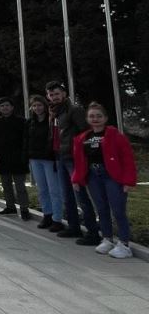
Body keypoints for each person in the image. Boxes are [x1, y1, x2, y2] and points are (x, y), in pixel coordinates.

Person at [72, 103, 137, 259]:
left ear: (105, 118)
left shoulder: (115, 136)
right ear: (87, 119)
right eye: (92, 116)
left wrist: (128, 181)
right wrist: (76, 178)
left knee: (118, 209)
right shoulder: (83, 138)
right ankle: (107, 238)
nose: (95, 119)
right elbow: (80, 161)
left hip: (112, 177)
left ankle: (124, 244)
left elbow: (128, 159)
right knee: (101, 208)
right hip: (93, 176)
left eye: (99, 116)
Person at [47, 80, 100, 246]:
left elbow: (85, 132)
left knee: (80, 195)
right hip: (60, 156)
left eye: (57, 94)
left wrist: (81, 153)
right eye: (51, 94)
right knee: (67, 194)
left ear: (64, 94)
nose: (54, 97)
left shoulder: (74, 110)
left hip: (73, 157)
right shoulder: (56, 112)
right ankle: (73, 226)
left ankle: (92, 231)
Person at [25, 95, 63, 231]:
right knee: (42, 189)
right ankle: (47, 214)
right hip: (35, 159)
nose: (37, 108)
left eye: (39, 105)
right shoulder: (30, 122)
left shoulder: (52, 121)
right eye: (34, 106)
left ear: (45, 106)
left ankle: (57, 219)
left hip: (50, 159)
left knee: (54, 190)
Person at [0, 96, 29, 220]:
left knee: (20, 186)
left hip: (18, 158)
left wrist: (25, 155)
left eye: (7, 105)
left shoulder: (22, 121)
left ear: (12, 107)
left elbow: (26, 139)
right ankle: (10, 207)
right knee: (6, 185)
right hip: (2, 158)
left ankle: (24, 209)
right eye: (2, 106)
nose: (5, 108)